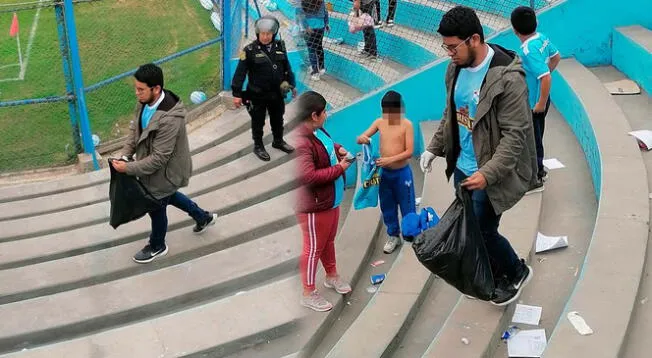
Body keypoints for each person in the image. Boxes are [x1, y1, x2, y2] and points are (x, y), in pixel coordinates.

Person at [419, 6, 537, 306]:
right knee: (472, 227)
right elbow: (451, 113)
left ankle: (516, 270)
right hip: (462, 165)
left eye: (452, 47)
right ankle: (492, 272)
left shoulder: (508, 79)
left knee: (483, 230)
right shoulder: (454, 68)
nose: (448, 53)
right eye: (445, 47)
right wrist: (435, 147)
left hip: (487, 171)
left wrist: (487, 174)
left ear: (474, 39)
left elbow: (515, 135)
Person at [112, 64, 217, 264]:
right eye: (136, 88)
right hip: (155, 169)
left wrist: (128, 168)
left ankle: (158, 245)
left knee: (156, 206)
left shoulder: (170, 119)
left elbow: (159, 159)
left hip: (166, 172)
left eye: (140, 89)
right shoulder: (144, 102)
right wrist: (125, 155)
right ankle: (202, 217)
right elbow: (135, 132)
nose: (137, 93)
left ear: (156, 89)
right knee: (170, 197)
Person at [295, 91, 353, 312]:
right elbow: (308, 177)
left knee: (328, 240)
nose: (326, 114)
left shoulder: (315, 131)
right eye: (324, 111)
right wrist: (340, 168)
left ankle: (332, 276)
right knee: (313, 248)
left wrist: (337, 149)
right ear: (314, 115)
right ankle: (308, 292)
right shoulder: (300, 142)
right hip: (314, 206)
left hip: (331, 200)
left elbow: (327, 145)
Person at [231, 15, 297, 162]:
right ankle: (258, 146)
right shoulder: (248, 50)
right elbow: (240, 73)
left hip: (276, 94)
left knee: (278, 118)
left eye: (269, 34)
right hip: (257, 95)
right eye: (263, 34)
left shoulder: (280, 47)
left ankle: (278, 141)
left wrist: (292, 84)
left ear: (273, 33)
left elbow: (287, 67)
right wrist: (236, 93)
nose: (266, 37)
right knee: (258, 121)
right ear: (258, 33)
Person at [357, 91, 415, 254]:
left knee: (407, 204)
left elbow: (409, 151)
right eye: (385, 111)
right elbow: (361, 137)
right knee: (387, 205)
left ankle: (410, 234)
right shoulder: (379, 122)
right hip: (385, 175)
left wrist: (390, 160)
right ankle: (393, 236)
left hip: (402, 173)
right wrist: (363, 139)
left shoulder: (406, 125)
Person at [511, 6, 561, 186]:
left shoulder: (528, 50)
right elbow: (556, 58)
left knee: (533, 139)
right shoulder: (542, 38)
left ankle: (537, 174)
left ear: (514, 29)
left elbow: (545, 76)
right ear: (536, 23)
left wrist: (539, 103)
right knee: (536, 134)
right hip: (540, 99)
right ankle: (535, 169)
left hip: (534, 103)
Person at [298, 0, 330, 81]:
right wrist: (326, 23)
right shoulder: (321, 1)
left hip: (310, 27)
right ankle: (322, 68)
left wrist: (306, 26)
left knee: (311, 49)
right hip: (320, 26)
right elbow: (325, 12)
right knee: (319, 46)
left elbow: (301, 14)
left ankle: (315, 72)